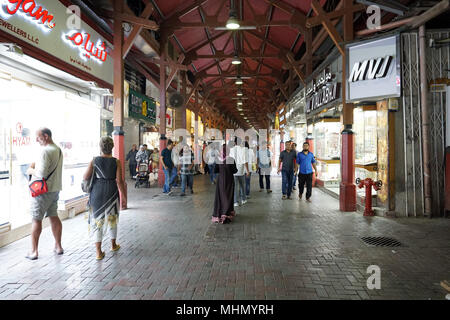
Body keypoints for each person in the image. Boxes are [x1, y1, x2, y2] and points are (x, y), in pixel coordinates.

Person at [83, 137, 126, 260]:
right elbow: (119, 181)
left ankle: (98, 252)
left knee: (98, 220)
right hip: (111, 191)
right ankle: (113, 245)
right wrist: (123, 197)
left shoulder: (94, 160)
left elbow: (85, 176)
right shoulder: (116, 162)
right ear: (112, 147)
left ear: (100, 147)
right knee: (112, 218)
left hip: (97, 191)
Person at [26, 128, 64, 260]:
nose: (36, 140)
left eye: (38, 137)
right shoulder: (58, 149)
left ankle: (34, 251)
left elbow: (41, 174)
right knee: (54, 216)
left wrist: (31, 170)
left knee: (36, 219)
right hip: (55, 189)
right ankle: (58, 246)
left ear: (46, 136)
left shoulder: (45, 151)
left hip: (43, 191)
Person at [212, 143, 238, 224]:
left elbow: (215, 170)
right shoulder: (231, 159)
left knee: (221, 196)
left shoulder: (218, 159)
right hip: (229, 180)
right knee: (228, 196)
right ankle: (226, 213)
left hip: (221, 181)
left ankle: (221, 213)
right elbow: (235, 170)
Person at [230, 137, 249, 207]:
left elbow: (230, 161)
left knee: (235, 187)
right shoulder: (243, 149)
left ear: (234, 142)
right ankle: (244, 199)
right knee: (242, 186)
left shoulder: (231, 150)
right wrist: (247, 171)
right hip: (241, 171)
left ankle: (235, 202)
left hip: (233, 171)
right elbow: (245, 161)